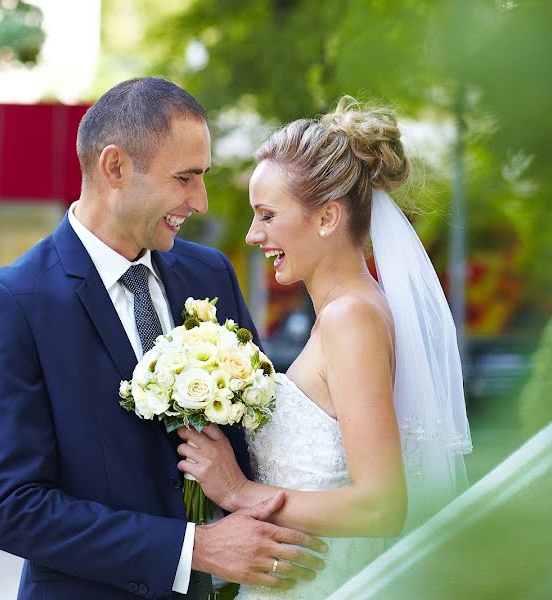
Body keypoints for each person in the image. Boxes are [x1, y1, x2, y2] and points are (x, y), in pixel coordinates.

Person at [0, 77, 326, 600]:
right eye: (184, 178)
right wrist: (194, 549)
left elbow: (256, 436)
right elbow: (13, 508)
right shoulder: (14, 302)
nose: (198, 201)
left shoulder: (211, 273)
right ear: (114, 167)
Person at [175, 97, 473, 599]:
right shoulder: (346, 313)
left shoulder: (350, 318)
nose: (253, 235)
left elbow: (381, 506)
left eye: (267, 215)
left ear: (328, 218)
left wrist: (237, 492)